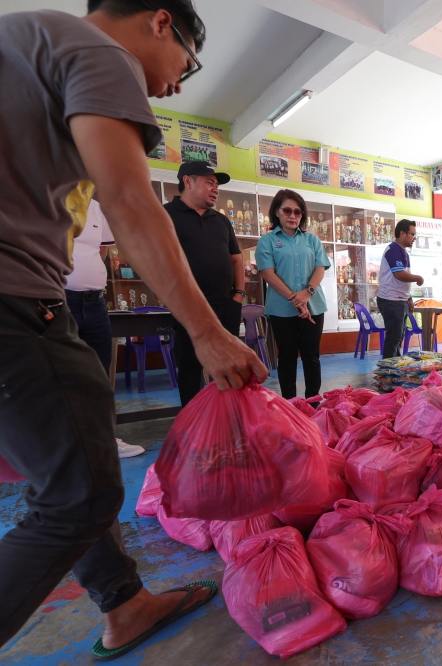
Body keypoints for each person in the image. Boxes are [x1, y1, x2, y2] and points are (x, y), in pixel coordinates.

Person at [0, 1, 266, 655]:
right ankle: (125, 603)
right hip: (12, 301)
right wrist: (208, 333)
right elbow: (127, 199)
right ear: (158, 21)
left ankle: (125, 603)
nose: (179, 81)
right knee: (82, 496)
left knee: (60, 467)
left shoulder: (23, 38)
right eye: (188, 60)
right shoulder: (98, 51)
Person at [65, 197, 145, 458]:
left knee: (99, 375)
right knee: (62, 375)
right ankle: (65, 445)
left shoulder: (98, 208)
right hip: (59, 302)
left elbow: (101, 251)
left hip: (95, 302)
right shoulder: (45, 199)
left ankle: (104, 438)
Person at [163, 160, 246, 407]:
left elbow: (236, 260)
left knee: (229, 365)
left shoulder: (221, 221)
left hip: (226, 306)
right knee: (190, 367)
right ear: (188, 181)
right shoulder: (166, 216)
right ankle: (194, 424)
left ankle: (228, 416)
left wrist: (238, 295)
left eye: (217, 184)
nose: (216, 188)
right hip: (189, 309)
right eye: (210, 182)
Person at [256, 189, 330, 401]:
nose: (293, 215)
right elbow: (268, 274)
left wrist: (306, 294)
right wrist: (294, 299)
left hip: (314, 306)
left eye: (298, 212)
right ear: (276, 212)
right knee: (287, 357)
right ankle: (289, 404)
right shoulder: (267, 241)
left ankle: (313, 402)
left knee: (311, 356)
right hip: (281, 310)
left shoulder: (312, 240)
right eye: (287, 210)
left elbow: (320, 268)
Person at [376, 219, 423, 359]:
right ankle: (386, 372)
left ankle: (394, 368)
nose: (414, 238)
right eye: (412, 234)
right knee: (393, 338)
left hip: (399, 300)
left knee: (398, 337)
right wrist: (418, 278)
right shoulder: (393, 250)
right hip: (391, 300)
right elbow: (398, 274)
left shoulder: (403, 252)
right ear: (402, 233)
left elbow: (401, 280)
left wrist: (408, 298)